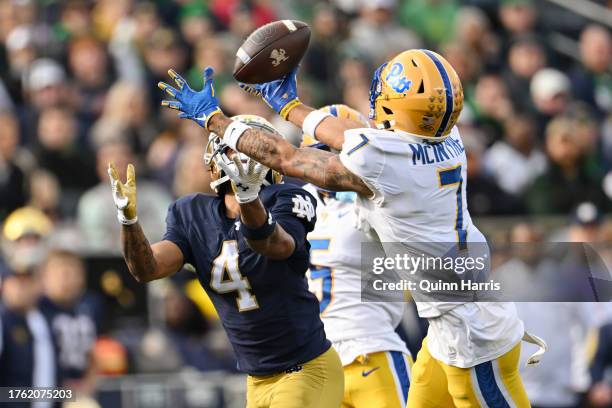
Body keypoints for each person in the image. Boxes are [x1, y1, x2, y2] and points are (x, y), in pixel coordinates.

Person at [160, 49, 546, 406]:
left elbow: (288, 156)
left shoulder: (383, 165)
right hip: (447, 326)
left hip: (474, 337)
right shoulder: (445, 136)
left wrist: (216, 120)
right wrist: (289, 106)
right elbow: (344, 138)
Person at [108, 114, 343, 408]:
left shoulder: (288, 197)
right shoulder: (191, 212)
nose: (244, 156)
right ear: (213, 161)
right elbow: (148, 269)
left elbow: (276, 244)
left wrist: (248, 198)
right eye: (235, 147)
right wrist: (129, 222)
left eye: (252, 148)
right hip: (256, 379)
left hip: (305, 368)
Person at [304, 105, 412, 408]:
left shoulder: (375, 199)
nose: (333, 163)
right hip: (318, 363)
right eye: (326, 151)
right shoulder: (295, 205)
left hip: (371, 348)